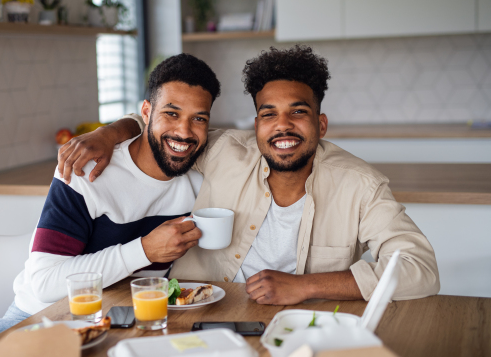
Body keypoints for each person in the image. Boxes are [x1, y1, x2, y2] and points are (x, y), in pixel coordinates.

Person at [58, 45, 440, 306]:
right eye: (269, 114)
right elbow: (167, 129)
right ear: (256, 124)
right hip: (193, 313)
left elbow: (420, 270)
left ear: (321, 123)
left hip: (294, 326)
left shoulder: (360, 185)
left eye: (299, 112)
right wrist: (109, 133)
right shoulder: (225, 150)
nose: (283, 126)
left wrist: (305, 287)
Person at [0, 53, 221, 340]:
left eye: (198, 119)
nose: (184, 131)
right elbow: (45, 282)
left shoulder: (197, 183)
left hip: (117, 324)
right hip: (40, 321)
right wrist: (144, 250)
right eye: (171, 113)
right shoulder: (87, 171)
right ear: (146, 112)